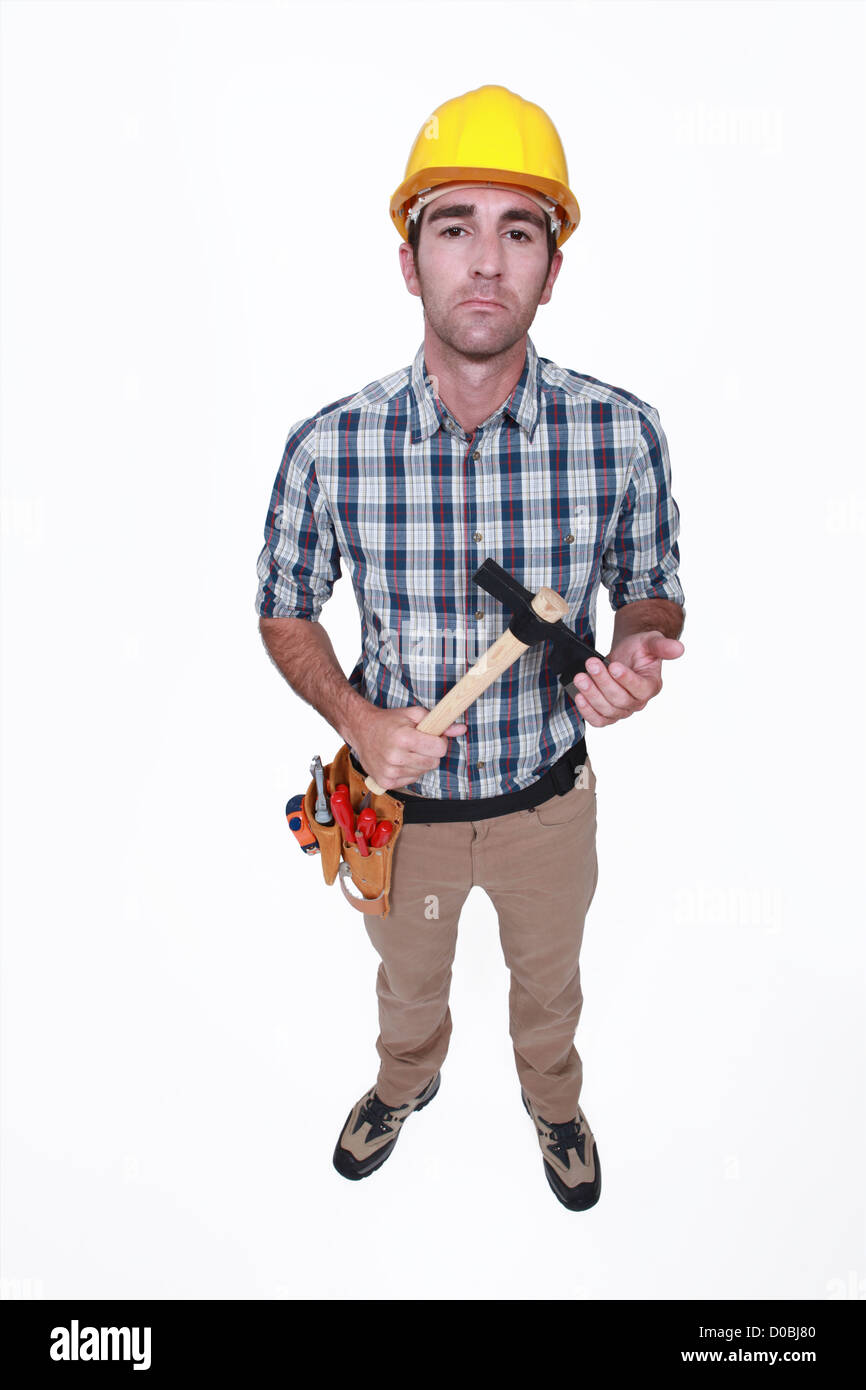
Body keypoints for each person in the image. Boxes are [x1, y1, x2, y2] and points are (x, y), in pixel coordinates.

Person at [255, 84, 685, 1211]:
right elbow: (283, 608)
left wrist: (637, 650)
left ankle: (552, 1101)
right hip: (402, 823)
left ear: (552, 264)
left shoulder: (620, 434)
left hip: (549, 804)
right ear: (410, 261)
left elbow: (650, 591)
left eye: (518, 230)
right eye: (454, 227)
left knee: (548, 986)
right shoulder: (328, 448)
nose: (485, 261)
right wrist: (356, 720)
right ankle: (407, 1080)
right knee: (407, 984)